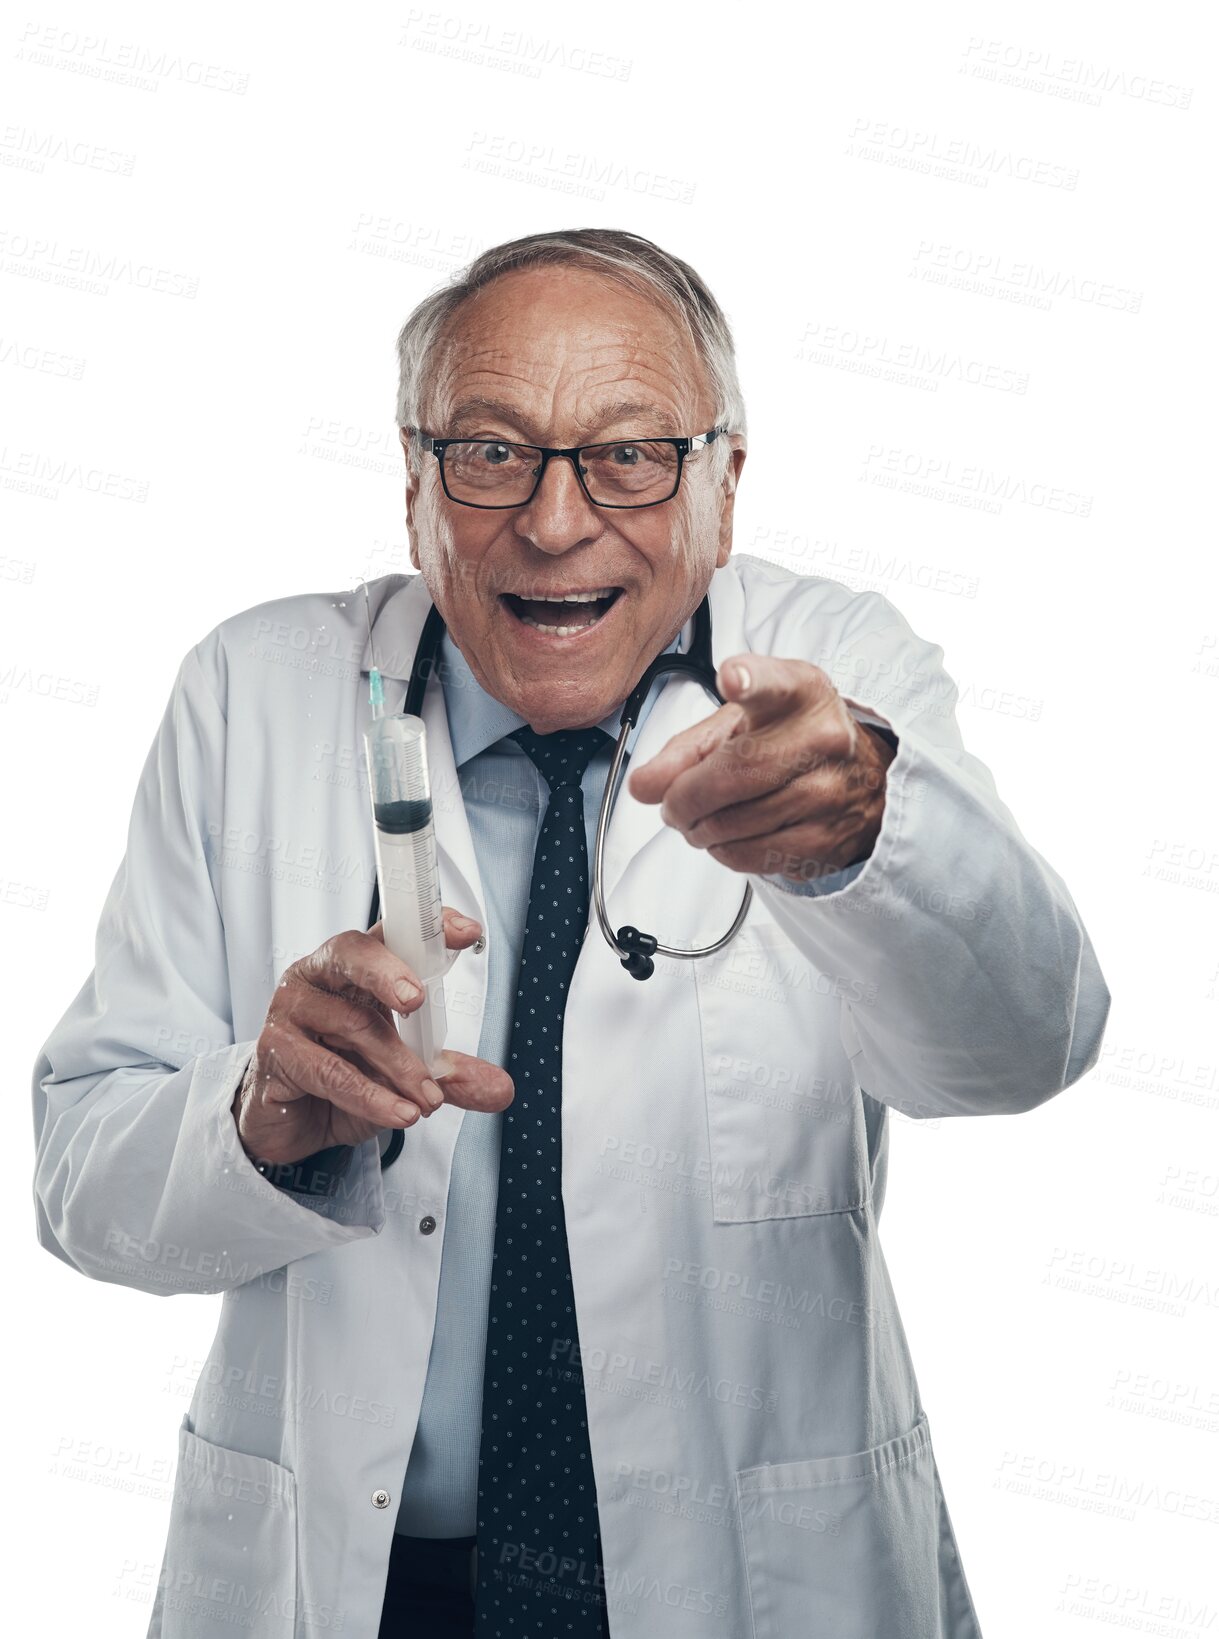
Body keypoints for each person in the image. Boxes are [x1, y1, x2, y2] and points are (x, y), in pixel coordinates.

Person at [32, 227, 1110, 1639]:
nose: (552, 521)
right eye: (489, 452)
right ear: (413, 483)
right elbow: (82, 1186)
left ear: (724, 483)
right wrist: (254, 1114)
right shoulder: (255, 692)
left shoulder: (834, 676)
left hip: (747, 1577)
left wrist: (865, 837)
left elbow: (1025, 1045)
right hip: (360, 1588)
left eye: (629, 455)